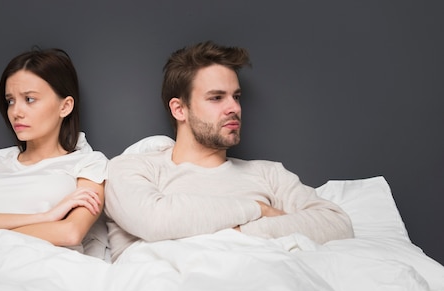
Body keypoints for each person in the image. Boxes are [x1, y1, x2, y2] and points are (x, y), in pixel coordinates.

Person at [104, 41, 353, 262]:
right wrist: (259, 210)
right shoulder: (131, 168)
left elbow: (337, 225)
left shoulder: (269, 174)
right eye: (216, 98)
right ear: (180, 109)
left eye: (236, 96)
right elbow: (154, 221)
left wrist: (242, 234)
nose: (234, 107)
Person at [0, 48, 107, 254]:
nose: (16, 112)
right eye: (10, 101)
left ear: (65, 107)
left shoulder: (89, 164)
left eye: (30, 99)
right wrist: (46, 217)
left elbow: (70, 232)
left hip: (47, 267)